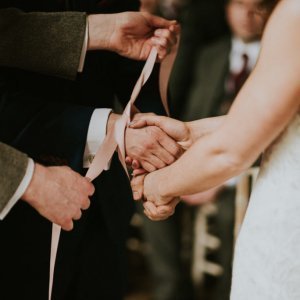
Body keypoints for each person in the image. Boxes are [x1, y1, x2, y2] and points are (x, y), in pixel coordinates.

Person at [0, 3, 180, 299]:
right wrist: (105, 129)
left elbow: (130, 64)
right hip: (17, 204)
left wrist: (159, 158)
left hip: (105, 203)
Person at [131, 0, 300, 298]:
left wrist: (158, 185)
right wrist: (190, 132)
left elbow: (229, 153)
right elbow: (279, 123)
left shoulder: (295, 15)